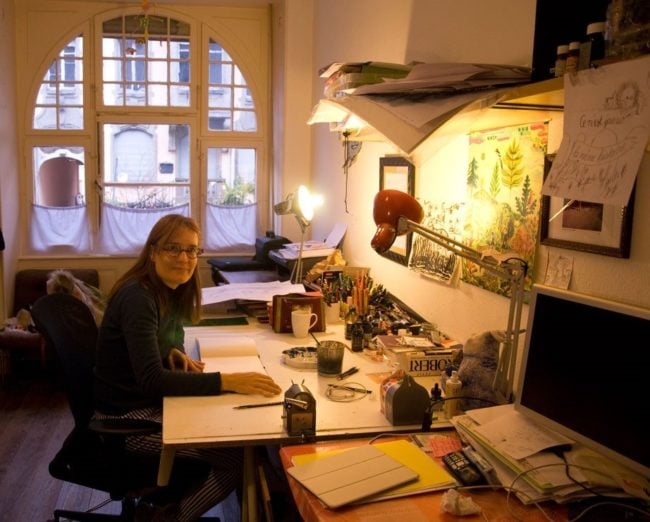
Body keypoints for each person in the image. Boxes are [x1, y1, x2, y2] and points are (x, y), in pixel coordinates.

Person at [93, 214, 282, 520]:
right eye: (173, 248)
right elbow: (152, 381)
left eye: (192, 250)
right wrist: (227, 381)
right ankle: (173, 517)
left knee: (229, 428)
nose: (184, 258)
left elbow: (166, 335)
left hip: (141, 406)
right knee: (236, 458)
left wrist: (171, 349)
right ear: (153, 252)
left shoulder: (165, 288)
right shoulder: (138, 296)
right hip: (124, 421)